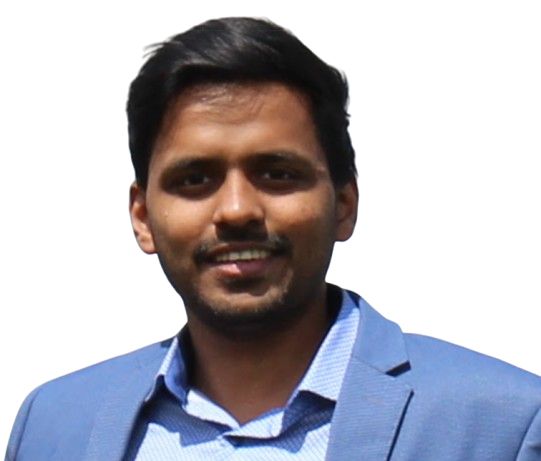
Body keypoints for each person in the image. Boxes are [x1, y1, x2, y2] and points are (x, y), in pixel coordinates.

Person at [5, 16, 541, 461]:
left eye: (277, 174)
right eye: (195, 180)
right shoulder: (55, 425)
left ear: (344, 204)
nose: (237, 210)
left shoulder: (504, 424)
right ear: (142, 217)